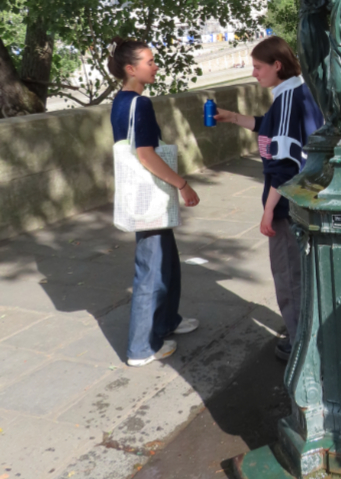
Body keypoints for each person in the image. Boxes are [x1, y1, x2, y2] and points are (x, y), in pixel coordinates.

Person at [214, 36, 323, 360]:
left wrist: (268, 210)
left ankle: (302, 345)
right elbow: (273, 130)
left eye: (258, 67)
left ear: (277, 65)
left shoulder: (288, 99)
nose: (253, 73)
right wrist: (235, 118)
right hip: (307, 200)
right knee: (304, 274)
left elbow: (283, 163)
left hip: (289, 206)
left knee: (290, 277)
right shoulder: (296, 94)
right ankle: (309, 335)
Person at [108, 38, 201, 367]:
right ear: (131, 69)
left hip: (147, 198)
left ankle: (166, 322)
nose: (156, 66)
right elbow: (146, 155)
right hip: (150, 197)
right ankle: (142, 347)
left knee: (167, 263)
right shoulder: (140, 105)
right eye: (150, 61)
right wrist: (182, 185)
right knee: (152, 272)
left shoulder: (121, 101)